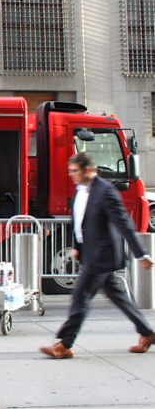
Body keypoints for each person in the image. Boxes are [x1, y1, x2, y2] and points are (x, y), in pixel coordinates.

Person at [40, 151, 155, 359]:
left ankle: (65, 345)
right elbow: (79, 220)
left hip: (102, 254)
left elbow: (124, 224)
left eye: (74, 171)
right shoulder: (80, 189)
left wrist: (141, 254)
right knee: (116, 295)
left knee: (80, 296)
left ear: (87, 170)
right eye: (70, 171)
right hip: (90, 252)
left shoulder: (106, 191)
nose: (71, 175)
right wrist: (77, 245)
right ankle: (147, 333)